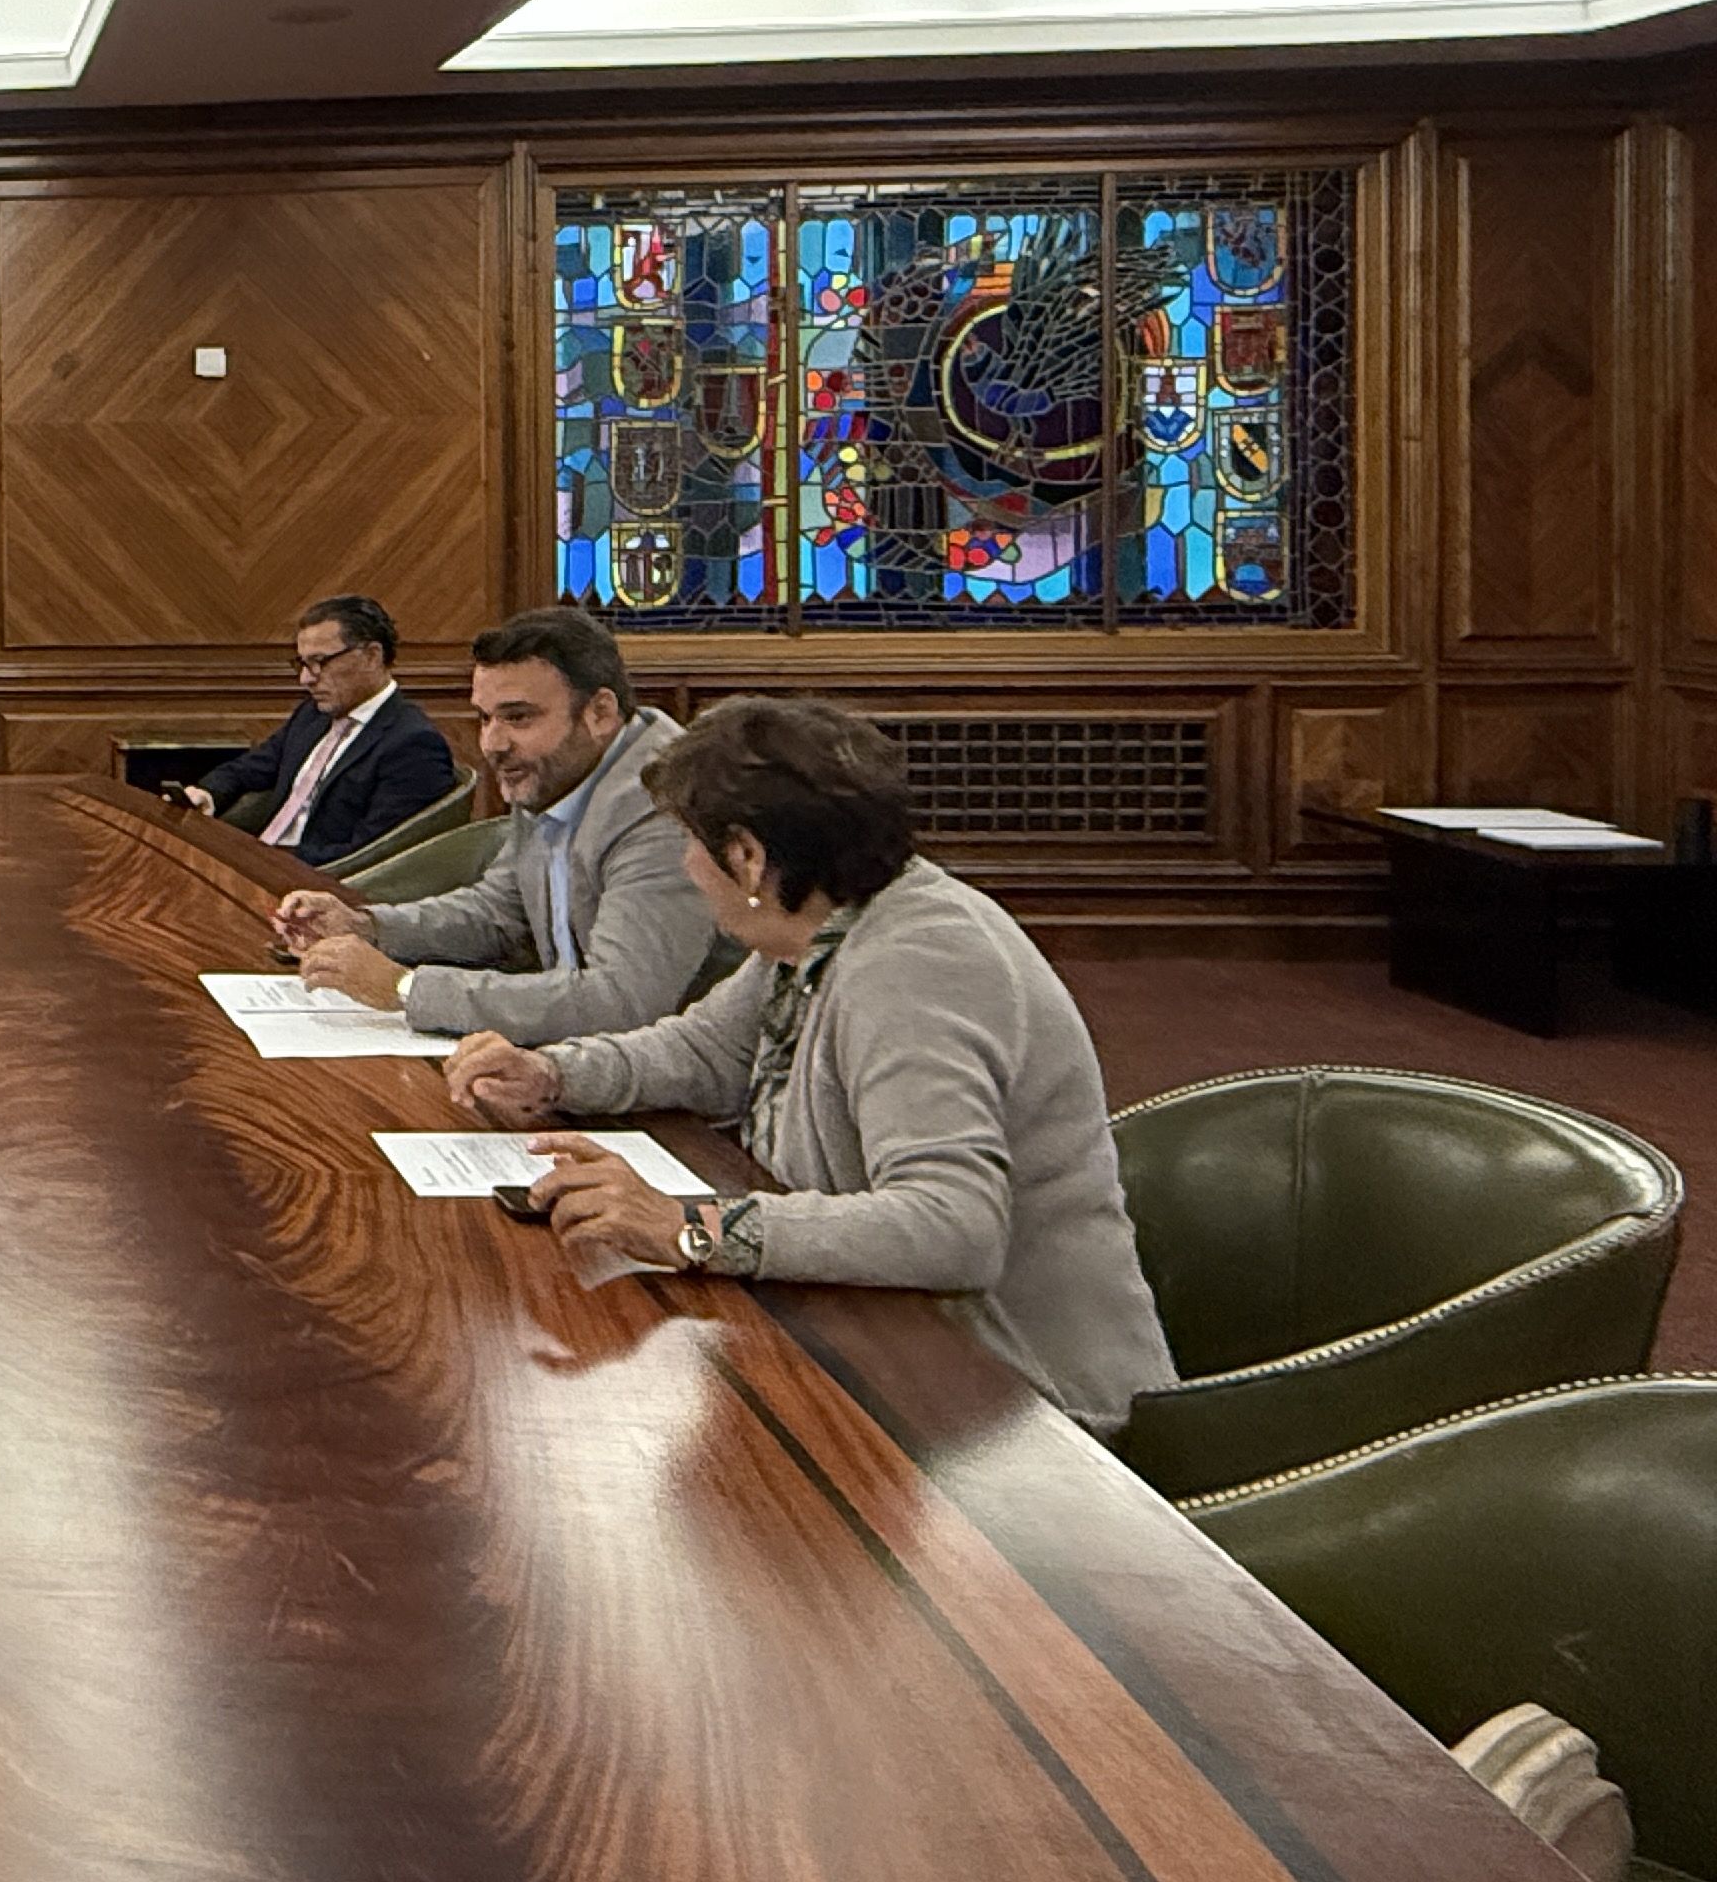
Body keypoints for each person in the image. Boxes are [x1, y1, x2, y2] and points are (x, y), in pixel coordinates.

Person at [441, 695, 1175, 1433]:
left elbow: (953, 1227)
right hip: (888, 1353)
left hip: (1025, 1414)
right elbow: (705, 1050)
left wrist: (691, 1229)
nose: (687, 868)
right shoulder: (824, 927)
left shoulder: (920, 963)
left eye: (691, 843)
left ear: (749, 856)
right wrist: (554, 1073)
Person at [270, 604, 719, 1042]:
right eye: (485, 718)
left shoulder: (667, 809)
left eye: (518, 717)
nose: (493, 744)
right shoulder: (556, 771)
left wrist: (406, 988)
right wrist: (368, 927)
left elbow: (620, 1001)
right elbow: (498, 913)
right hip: (570, 1060)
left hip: (670, 1097)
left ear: (600, 713)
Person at [171, 592, 458, 863]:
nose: (306, 680)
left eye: (320, 662)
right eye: (302, 664)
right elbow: (250, 768)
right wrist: (207, 794)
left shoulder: (413, 744)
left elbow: (375, 853)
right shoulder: (312, 715)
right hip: (262, 862)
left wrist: (265, 860)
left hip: (317, 884)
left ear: (371, 656)